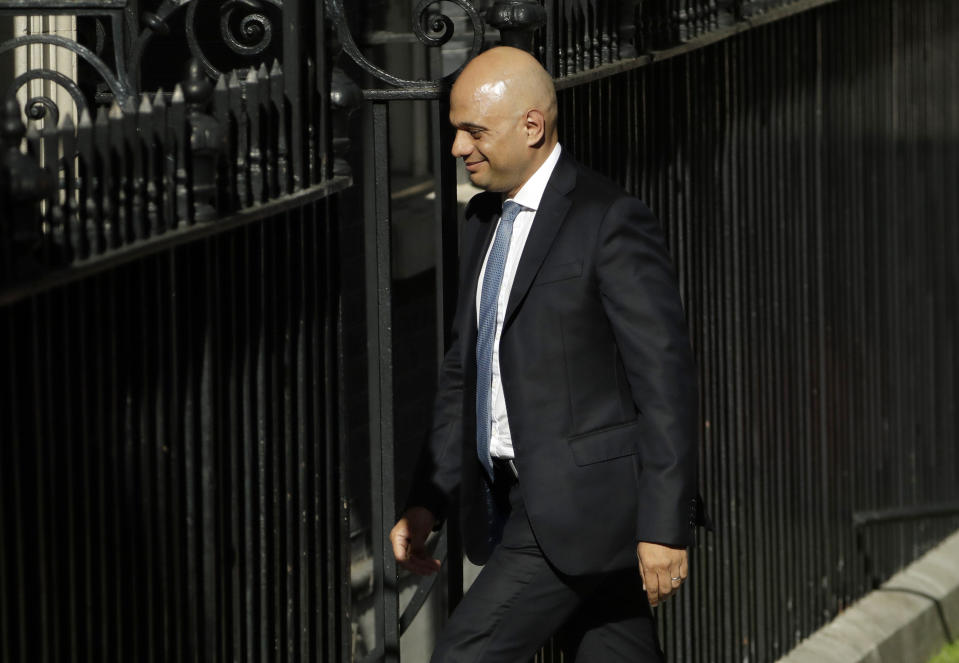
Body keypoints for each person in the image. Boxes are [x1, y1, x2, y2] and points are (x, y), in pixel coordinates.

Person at [390, 46, 705, 662]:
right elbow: (466, 369)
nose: (457, 147)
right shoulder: (482, 219)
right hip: (512, 496)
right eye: (455, 130)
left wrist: (664, 525)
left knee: (466, 654)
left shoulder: (607, 219)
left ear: (531, 126)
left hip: (583, 506)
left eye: (473, 130)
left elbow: (664, 378)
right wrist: (430, 497)